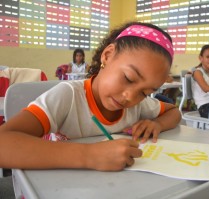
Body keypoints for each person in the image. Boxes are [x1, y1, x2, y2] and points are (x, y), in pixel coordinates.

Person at [0, 22, 181, 171]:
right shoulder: (68, 96)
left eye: (145, 92)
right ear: (108, 55)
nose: (130, 97)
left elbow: (174, 112)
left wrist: (157, 124)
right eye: (128, 78)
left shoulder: (138, 106)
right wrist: (89, 155)